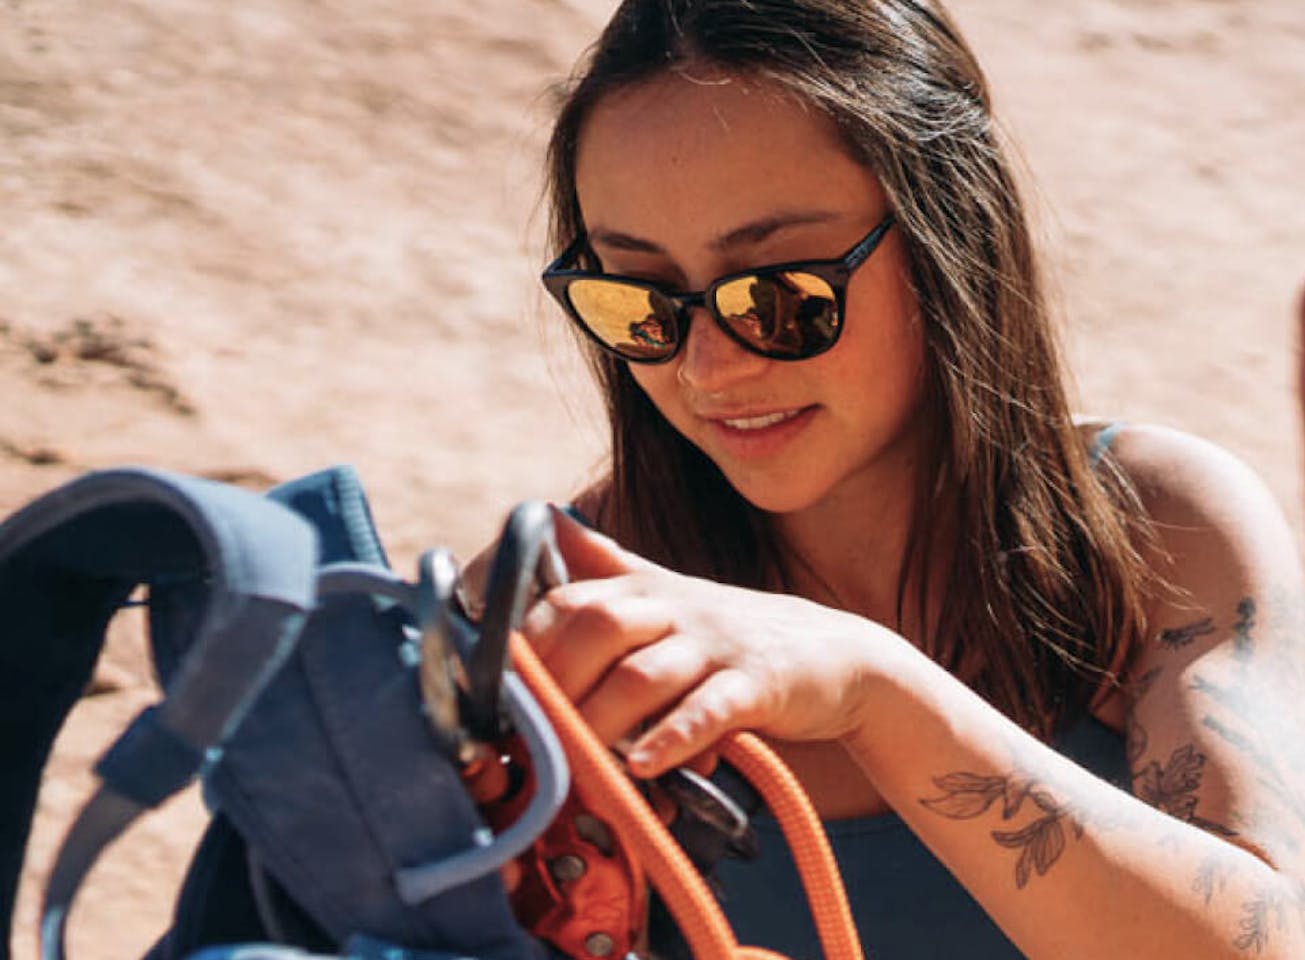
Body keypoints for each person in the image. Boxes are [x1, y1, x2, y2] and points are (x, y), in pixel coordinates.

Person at [510, 1, 1305, 956]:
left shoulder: (1150, 527)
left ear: (950, 235)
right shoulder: (568, 611)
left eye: (780, 293)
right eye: (634, 298)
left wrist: (873, 689)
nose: (706, 369)